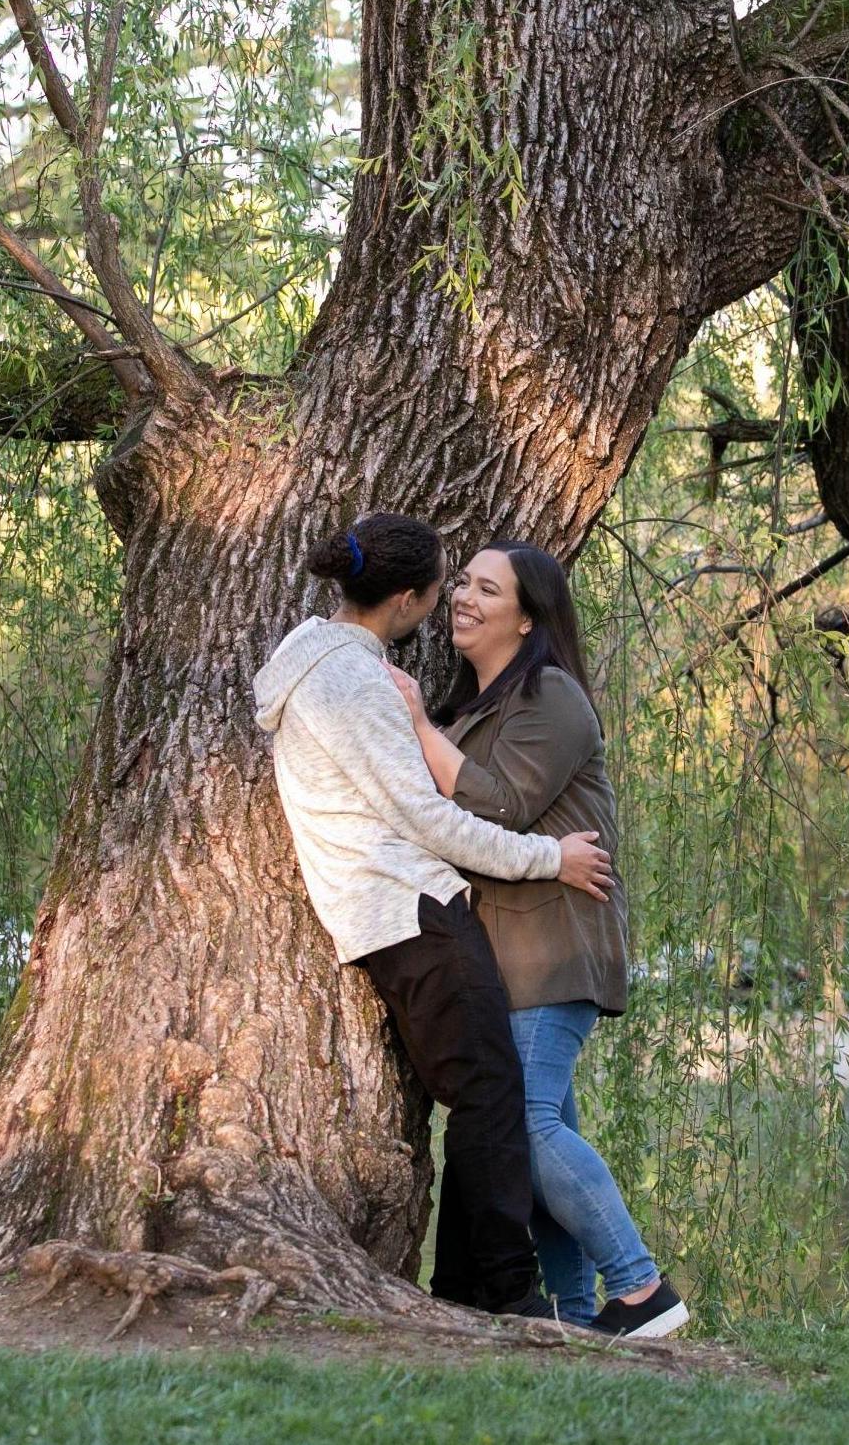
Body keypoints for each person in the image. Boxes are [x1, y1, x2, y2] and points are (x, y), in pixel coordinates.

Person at [252, 513, 613, 1318]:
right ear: (407, 599)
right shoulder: (355, 680)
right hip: (413, 907)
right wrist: (549, 858)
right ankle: (498, 1291)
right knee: (492, 1094)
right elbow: (430, 821)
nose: (452, 598)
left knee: (485, 1096)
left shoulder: (307, 662)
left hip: (378, 908)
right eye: (448, 584)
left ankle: (480, 1287)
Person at [388, 541, 689, 1339]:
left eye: (487, 589)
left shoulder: (551, 696)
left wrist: (416, 724)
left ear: (526, 617)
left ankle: (641, 1287)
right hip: (502, 954)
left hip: (552, 950)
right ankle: (573, 1307)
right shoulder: (469, 712)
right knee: (539, 1129)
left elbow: (503, 802)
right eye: (462, 583)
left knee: (525, 1126)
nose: (463, 597)